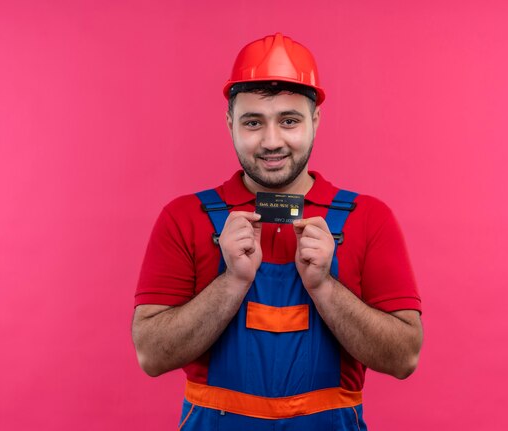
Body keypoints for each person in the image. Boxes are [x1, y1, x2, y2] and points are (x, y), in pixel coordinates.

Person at [132, 32, 423, 430]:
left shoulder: (368, 217)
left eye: (289, 121)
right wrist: (232, 281)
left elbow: (404, 358)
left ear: (315, 121)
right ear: (230, 122)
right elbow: (151, 355)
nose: (272, 141)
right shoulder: (185, 217)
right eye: (253, 122)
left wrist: (324, 287)